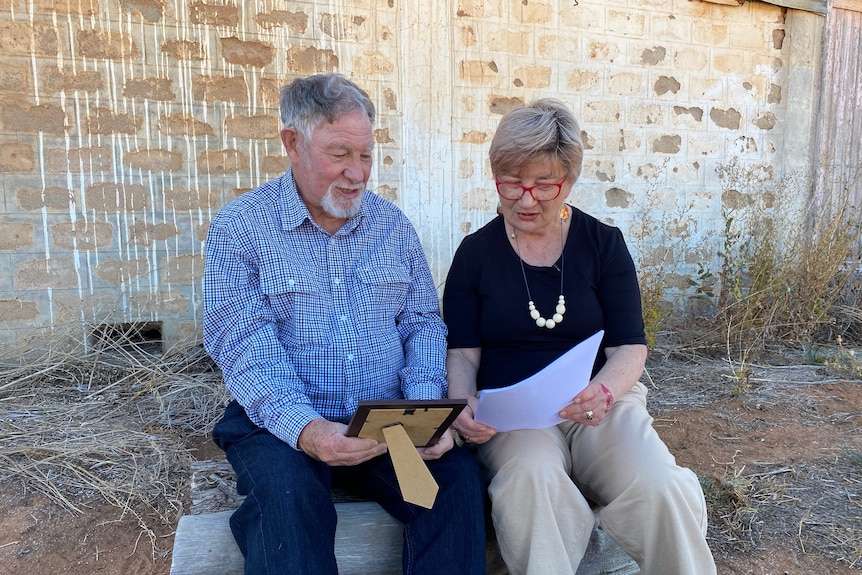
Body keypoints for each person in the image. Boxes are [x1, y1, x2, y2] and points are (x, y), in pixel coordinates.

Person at [203, 73, 486, 575]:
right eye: (340, 154)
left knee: (454, 482)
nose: (357, 174)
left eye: (366, 155)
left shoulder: (391, 226)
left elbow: (421, 321)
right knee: (289, 495)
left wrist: (423, 411)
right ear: (292, 143)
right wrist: (309, 430)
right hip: (282, 424)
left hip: (385, 423)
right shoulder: (240, 228)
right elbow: (242, 342)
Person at [443, 99, 717, 575]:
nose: (525, 200)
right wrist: (463, 400)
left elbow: (629, 346)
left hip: (599, 404)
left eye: (543, 185)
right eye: (511, 184)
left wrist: (606, 390)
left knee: (660, 486)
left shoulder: (603, 243)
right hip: (514, 417)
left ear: (568, 181)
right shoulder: (474, 254)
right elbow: (463, 352)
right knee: (532, 481)